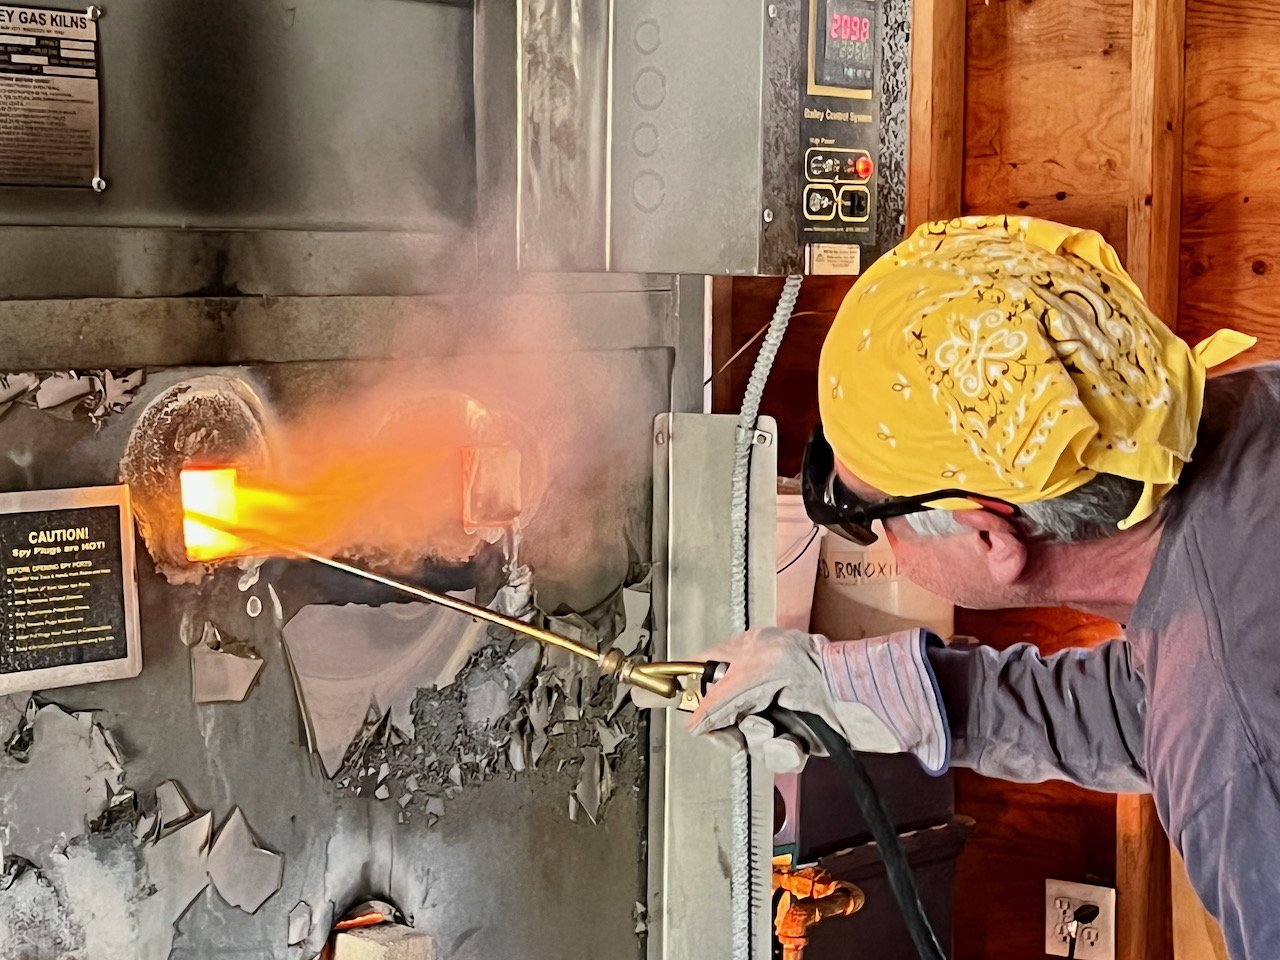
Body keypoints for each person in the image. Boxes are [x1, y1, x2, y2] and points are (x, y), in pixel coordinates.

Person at [688, 216, 1276, 960]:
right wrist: (848, 691)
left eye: (871, 520)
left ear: (989, 535)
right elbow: (1144, 702)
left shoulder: (1241, 762)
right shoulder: (1258, 412)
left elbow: (1201, 706)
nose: (882, 547)